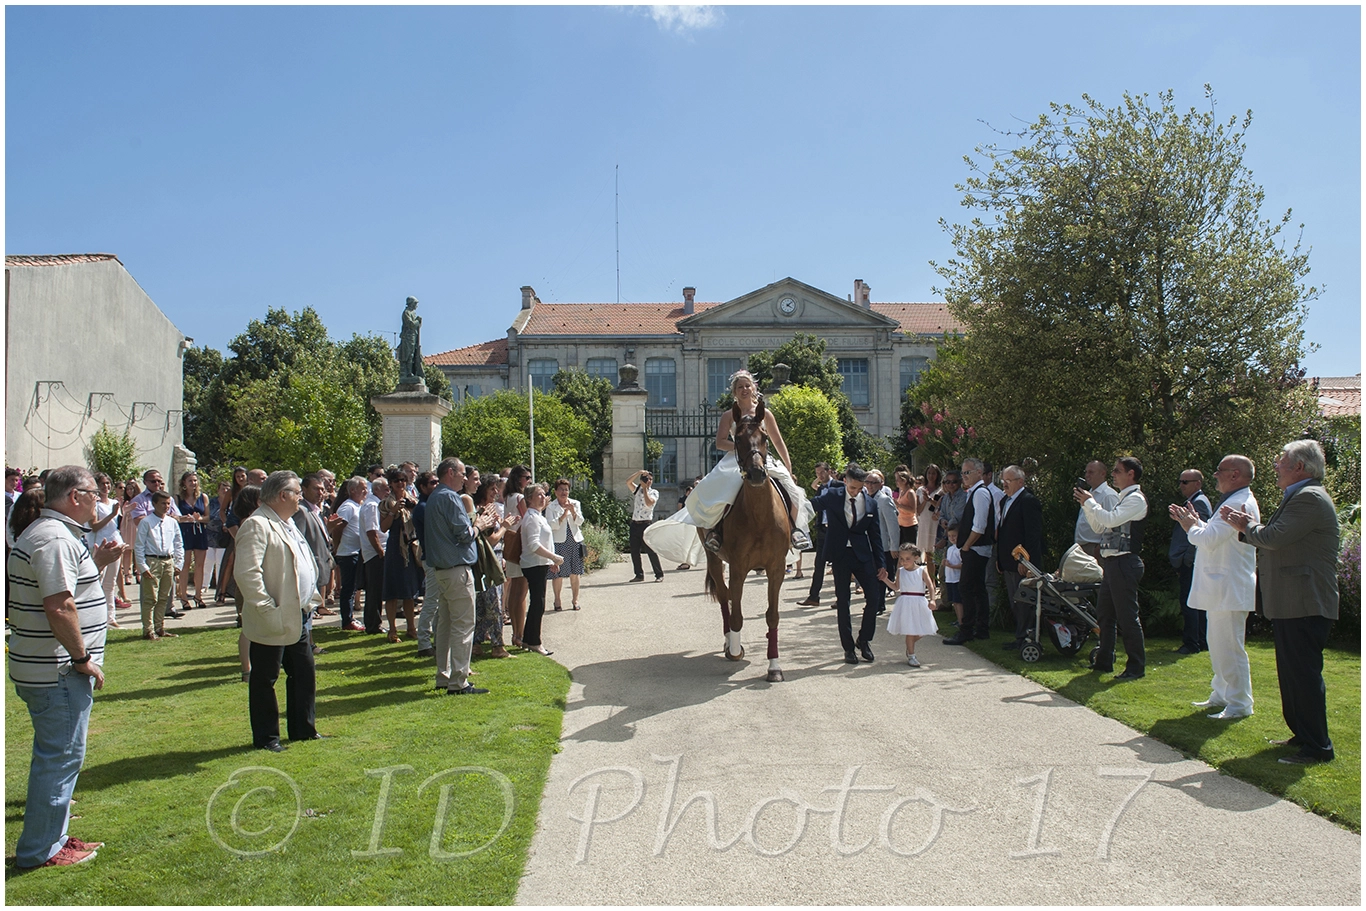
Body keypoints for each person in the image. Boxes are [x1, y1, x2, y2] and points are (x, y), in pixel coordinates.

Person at [7, 465, 120, 869]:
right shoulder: (53, 537)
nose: (99, 501)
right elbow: (59, 605)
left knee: (59, 756)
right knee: (59, 757)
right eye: (93, 493)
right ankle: (41, 851)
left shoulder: (54, 535)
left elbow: (68, 590)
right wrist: (82, 658)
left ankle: (52, 838)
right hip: (57, 671)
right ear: (75, 496)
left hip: (47, 668)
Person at [1221, 440, 1339, 765]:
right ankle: (1303, 735)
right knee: (1291, 673)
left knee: (1302, 674)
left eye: (1281, 460)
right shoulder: (1301, 496)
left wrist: (1245, 526)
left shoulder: (1309, 498)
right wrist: (1248, 528)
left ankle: (1318, 747)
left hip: (1305, 601)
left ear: (1300, 467)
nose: (1275, 465)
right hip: (1293, 601)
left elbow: (1273, 537)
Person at [235, 471, 323, 752]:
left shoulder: (287, 522)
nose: (300, 497)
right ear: (282, 495)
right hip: (273, 616)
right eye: (297, 492)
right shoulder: (257, 525)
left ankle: (303, 730)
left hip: (298, 615)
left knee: (304, 673)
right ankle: (267, 738)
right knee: (265, 678)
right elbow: (248, 573)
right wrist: (266, 609)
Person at [1170, 455, 1259, 720]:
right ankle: (1221, 693)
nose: (1215, 476)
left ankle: (1239, 703)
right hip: (1222, 586)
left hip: (1229, 586)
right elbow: (1213, 532)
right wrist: (1196, 523)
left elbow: (1208, 540)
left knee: (1230, 647)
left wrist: (1189, 526)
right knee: (1218, 644)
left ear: (1235, 474)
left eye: (1219, 471)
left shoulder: (1238, 502)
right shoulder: (1231, 501)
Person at [425, 457, 498, 695]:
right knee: (463, 625)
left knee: (445, 624)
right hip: (456, 569)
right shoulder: (449, 497)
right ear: (450, 473)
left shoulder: (435, 497)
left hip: (442, 571)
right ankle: (459, 681)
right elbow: (465, 534)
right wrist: (480, 523)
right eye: (461, 473)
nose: (465, 478)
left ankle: (444, 676)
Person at [1074, 456, 1149, 681]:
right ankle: (1104, 661)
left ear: (1131, 474)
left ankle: (1136, 667)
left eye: (1117, 471)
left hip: (1125, 562)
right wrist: (1086, 505)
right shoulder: (1121, 498)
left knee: (1127, 617)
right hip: (1112, 563)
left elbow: (1110, 519)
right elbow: (1100, 525)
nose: (1114, 474)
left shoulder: (1136, 500)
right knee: (1105, 615)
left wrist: (1090, 503)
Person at [811, 463, 885, 664]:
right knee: (843, 601)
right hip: (840, 555)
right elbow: (812, 504)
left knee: (875, 598)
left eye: (860, 488)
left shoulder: (871, 503)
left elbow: (876, 535)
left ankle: (864, 640)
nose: (856, 491)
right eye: (853, 487)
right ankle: (848, 648)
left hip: (863, 555)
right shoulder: (833, 496)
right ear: (845, 482)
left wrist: (881, 564)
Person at [943, 458, 995, 646]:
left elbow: (979, 525)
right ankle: (981, 629)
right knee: (977, 589)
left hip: (976, 548)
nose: (964, 477)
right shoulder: (974, 493)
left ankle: (967, 629)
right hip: (975, 548)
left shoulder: (980, 493)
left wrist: (966, 546)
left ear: (979, 473)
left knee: (966, 587)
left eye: (967, 473)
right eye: (963, 473)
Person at [995, 465, 1045, 652]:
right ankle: (1020, 636)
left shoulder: (1028, 501)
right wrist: (1000, 559)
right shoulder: (1004, 501)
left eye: (1008, 481)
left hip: (1022, 563)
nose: (1004, 484)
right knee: (1014, 601)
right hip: (1008, 561)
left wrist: (1027, 562)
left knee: (1024, 601)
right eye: (1003, 481)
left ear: (1020, 482)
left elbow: (1033, 535)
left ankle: (1026, 638)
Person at [1171, 468, 1214, 654]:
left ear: (1198, 483)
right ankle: (1201, 641)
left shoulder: (1199, 504)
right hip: (1189, 562)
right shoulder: (1193, 502)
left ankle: (1192, 643)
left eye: (1185, 482)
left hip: (1191, 563)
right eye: (1180, 481)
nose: (1181, 486)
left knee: (1190, 603)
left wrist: (1186, 560)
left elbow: (1200, 534)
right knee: (1195, 603)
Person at [519, 483, 564, 656]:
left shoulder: (538, 516)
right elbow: (533, 544)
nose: (542, 497)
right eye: (538, 494)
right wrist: (553, 557)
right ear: (529, 499)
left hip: (540, 563)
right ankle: (534, 641)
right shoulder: (531, 517)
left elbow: (545, 541)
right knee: (538, 603)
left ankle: (529, 639)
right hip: (534, 564)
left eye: (543, 494)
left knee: (538, 603)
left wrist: (550, 559)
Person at [133, 490, 184, 640]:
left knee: (164, 597)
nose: (166, 506)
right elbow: (139, 545)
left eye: (168, 503)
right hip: (152, 560)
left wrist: (178, 563)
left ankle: (159, 627)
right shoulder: (146, 522)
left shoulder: (172, 522)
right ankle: (148, 630)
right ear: (154, 504)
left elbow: (178, 543)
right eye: (162, 503)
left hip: (168, 560)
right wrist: (143, 566)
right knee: (150, 598)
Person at [879, 543, 939, 667]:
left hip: (919, 601)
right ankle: (911, 654)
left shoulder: (922, 570)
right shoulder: (901, 571)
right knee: (910, 630)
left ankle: (909, 645)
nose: (904, 561)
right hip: (905, 602)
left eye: (907, 559)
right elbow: (896, 587)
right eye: (901, 559)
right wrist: (885, 580)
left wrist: (932, 600)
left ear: (916, 558)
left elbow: (931, 586)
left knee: (924, 628)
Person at [379, 468, 421, 643]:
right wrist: (394, 511)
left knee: (409, 591)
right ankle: (392, 629)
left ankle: (411, 628)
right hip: (395, 548)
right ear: (391, 484)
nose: (400, 484)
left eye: (403, 480)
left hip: (411, 548)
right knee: (392, 591)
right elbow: (383, 527)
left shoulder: (413, 501)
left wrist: (414, 507)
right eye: (397, 481)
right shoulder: (385, 503)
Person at [89, 473, 127, 628]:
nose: (105, 487)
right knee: (97, 581)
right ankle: (95, 617)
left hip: (115, 542)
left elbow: (117, 525)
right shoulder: (94, 503)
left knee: (110, 583)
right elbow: (94, 525)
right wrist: (111, 513)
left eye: (108, 483)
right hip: (100, 544)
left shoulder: (113, 502)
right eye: (102, 484)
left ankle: (110, 618)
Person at [797, 462, 837, 606]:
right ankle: (814, 597)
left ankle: (842, 598)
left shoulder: (839, 486)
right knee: (819, 565)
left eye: (822, 472)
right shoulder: (820, 489)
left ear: (828, 471)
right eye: (817, 474)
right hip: (822, 529)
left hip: (835, 530)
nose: (820, 476)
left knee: (838, 566)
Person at [502, 465, 531, 646]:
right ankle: (519, 634)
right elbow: (528, 519)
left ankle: (515, 633)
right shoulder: (519, 497)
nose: (529, 480)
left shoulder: (507, 497)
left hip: (510, 541)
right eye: (526, 477)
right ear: (519, 479)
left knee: (513, 592)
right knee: (521, 592)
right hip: (520, 543)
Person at [333, 477, 367, 631]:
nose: (366, 491)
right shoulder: (347, 507)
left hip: (356, 551)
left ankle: (350, 618)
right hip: (347, 553)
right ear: (352, 490)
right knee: (348, 589)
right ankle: (347, 620)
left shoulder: (358, 506)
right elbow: (338, 528)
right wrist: (337, 546)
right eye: (362, 488)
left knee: (353, 588)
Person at [546, 478, 586, 611]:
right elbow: (551, 525)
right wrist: (563, 515)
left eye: (566, 489)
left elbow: (580, 522)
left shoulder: (575, 503)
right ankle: (557, 600)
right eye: (561, 489)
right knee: (558, 573)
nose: (564, 492)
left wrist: (573, 512)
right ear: (556, 491)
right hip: (559, 542)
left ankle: (575, 600)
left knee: (575, 572)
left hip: (575, 541)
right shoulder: (551, 506)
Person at [175, 471, 210, 610]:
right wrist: (185, 518)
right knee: (185, 564)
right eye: (190, 481)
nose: (193, 483)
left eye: (195, 481)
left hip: (200, 531)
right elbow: (174, 516)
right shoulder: (178, 498)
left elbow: (208, 517)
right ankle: (183, 596)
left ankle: (198, 595)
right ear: (184, 483)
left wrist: (199, 519)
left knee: (200, 566)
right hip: (185, 532)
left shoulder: (203, 497)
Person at [359, 477, 390, 635]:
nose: (388, 492)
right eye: (385, 489)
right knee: (374, 591)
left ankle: (373, 623)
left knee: (376, 590)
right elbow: (372, 531)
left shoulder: (374, 504)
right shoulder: (372, 505)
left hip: (375, 552)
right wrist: (380, 551)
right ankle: (373, 625)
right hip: (374, 554)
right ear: (376, 489)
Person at [1074, 460, 1118, 560]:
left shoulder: (1108, 495)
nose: (1087, 475)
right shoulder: (1089, 493)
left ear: (1102, 473)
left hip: (1095, 548)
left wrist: (1100, 549)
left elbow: (1114, 524)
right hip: (1082, 547)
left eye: (1091, 472)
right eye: (1086, 472)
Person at [626, 469, 665, 582]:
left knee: (650, 550)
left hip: (646, 524)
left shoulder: (654, 492)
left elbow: (649, 503)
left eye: (650, 479)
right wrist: (638, 473)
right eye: (646, 479)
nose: (648, 481)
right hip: (635, 524)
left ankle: (659, 574)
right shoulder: (637, 489)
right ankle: (639, 574)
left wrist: (645, 488)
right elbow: (628, 482)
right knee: (634, 551)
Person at [865, 469, 900, 575]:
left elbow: (892, 524)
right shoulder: (865, 498)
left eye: (874, 483)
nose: (870, 485)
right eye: (867, 482)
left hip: (883, 545)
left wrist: (894, 546)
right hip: (868, 544)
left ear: (881, 484)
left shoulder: (884, 500)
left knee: (884, 574)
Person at [916, 464, 944, 579]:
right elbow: (918, 510)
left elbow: (941, 506)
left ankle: (937, 578)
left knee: (936, 553)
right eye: (929, 473)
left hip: (936, 523)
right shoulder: (920, 490)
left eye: (933, 473)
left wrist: (930, 500)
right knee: (927, 553)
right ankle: (931, 581)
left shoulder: (941, 490)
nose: (931, 476)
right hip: (924, 522)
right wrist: (925, 500)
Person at [942, 527, 964, 625]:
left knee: (958, 601)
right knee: (954, 602)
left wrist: (952, 566)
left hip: (957, 579)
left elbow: (963, 565)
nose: (952, 538)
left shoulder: (960, 549)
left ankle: (962, 621)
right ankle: (958, 619)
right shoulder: (950, 548)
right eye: (950, 536)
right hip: (950, 578)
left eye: (954, 536)